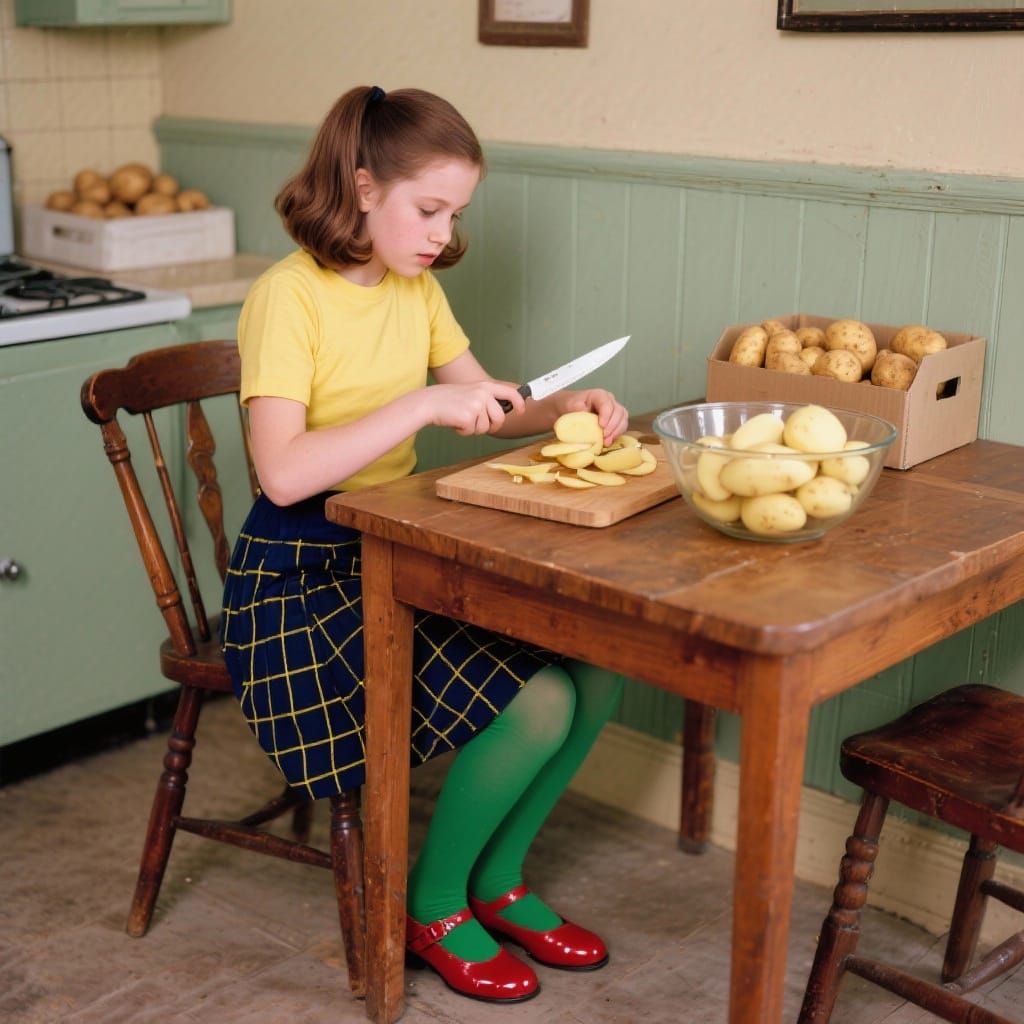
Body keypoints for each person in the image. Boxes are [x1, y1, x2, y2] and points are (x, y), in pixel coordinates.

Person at [220, 84, 629, 1006]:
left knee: (598, 670)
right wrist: (417, 405)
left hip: (395, 552)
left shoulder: (417, 286)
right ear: (362, 187)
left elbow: (481, 403)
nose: (442, 233)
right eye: (429, 208)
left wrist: (561, 407)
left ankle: (500, 881)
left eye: (456, 213)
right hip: (298, 578)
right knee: (535, 703)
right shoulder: (286, 298)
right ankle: (432, 904)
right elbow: (282, 474)